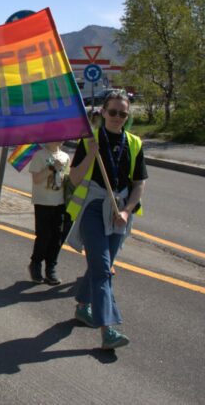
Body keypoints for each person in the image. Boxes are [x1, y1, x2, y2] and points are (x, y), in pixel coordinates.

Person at [66, 90, 147, 350]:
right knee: (103, 270)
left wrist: (127, 211)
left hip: (119, 212)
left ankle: (82, 305)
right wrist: (91, 153)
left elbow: (139, 183)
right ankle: (107, 329)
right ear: (102, 112)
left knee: (102, 264)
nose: (117, 117)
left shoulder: (134, 143)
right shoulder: (89, 140)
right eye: (112, 112)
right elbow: (75, 178)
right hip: (93, 210)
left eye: (123, 113)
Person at [27, 141, 70, 285]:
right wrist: (52, 167)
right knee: (44, 235)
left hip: (60, 202)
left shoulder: (65, 156)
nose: (59, 139)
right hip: (43, 202)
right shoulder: (39, 155)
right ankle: (36, 264)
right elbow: (36, 179)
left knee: (57, 237)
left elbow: (67, 178)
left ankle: (51, 268)